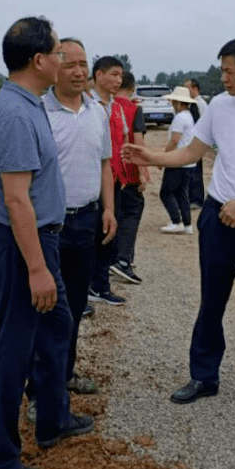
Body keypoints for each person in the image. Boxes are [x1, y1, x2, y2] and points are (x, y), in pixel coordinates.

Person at [124, 38, 235, 418]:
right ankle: (203, 376)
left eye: (230, 71)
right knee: (212, 299)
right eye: (222, 70)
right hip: (218, 216)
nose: (223, 78)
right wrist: (151, 157)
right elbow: (191, 153)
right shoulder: (220, 106)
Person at [0, 17, 94, 469]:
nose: (65, 61)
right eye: (59, 52)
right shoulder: (17, 115)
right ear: (39, 60)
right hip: (22, 246)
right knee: (11, 351)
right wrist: (38, 268)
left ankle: (52, 418)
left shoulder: (29, 104)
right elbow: (17, 199)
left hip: (40, 241)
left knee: (58, 323)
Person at [32, 38, 117, 401]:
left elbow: (105, 164)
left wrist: (109, 209)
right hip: (49, 228)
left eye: (83, 64)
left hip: (86, 222)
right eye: (70, 64)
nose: (79, 72)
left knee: (76, 306)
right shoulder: (39, 113)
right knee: (46, 312)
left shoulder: (98, 111)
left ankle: (63, 375)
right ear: (53, 67)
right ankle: (38, 392)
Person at [88, 60, 146, 298]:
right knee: (93, 233)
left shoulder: (117, 108)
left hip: (113, 178)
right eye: (113, 75)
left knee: (109, 230)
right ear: (99, 75)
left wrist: (123, 172)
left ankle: (100, 285)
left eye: (121, 76)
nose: (118, 80)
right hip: (94, 178)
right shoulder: (88, 105)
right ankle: (91, 286)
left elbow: (122, 143)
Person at [158, 86, 200, 234]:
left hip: (177, 161)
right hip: (188, 162)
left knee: (166, 193)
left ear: (177, 102)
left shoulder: (180, 118)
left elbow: (174, 141)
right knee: (182, 193)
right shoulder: (189, 116)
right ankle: (187, 224)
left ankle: (176, 221)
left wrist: (163, 158)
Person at [184, 78, 207, 207]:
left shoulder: (200, 104)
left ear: (194, 88)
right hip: (192, 141)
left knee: (196, 171)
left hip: (198, 141)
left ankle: (197, 199)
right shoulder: (192, 103)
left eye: (187, 88)